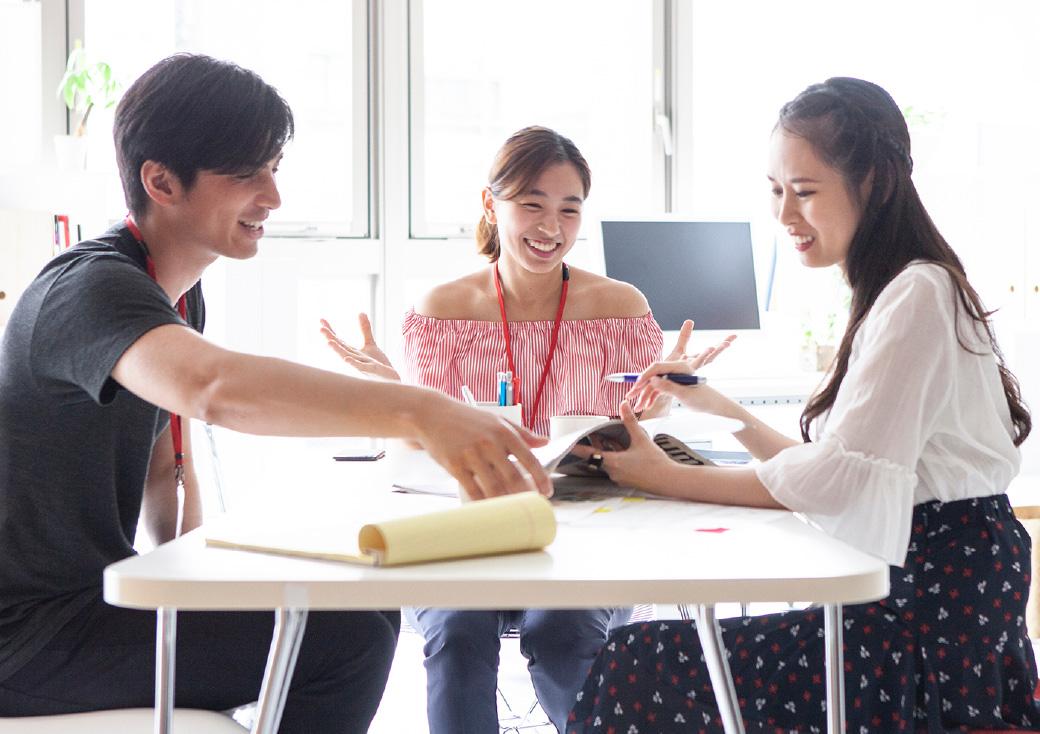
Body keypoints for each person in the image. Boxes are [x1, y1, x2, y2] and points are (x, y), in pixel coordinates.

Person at [0, 54, 554, 734]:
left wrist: (198, 573)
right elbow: (213, 387)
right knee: (343, 634)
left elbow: (164, 471)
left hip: (80, 610)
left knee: (356, 607)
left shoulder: (169, 294)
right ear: (161, 181)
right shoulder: (89, 288)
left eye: (274, 169)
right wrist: (424, 407)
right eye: (247, 173)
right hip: (27, 639)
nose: (273, 197)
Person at [566, 77, 1040, 733]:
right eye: (775, 190)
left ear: (872, 181)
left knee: (640, 662)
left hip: (920, 616)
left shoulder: (918, 294)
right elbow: (849, 469)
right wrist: (725, 413)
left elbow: (840, 480)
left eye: (806, 192)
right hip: (919, 589)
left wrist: (668, 477)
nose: (785, 215)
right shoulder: (902, 288)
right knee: (646, 656)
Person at [321, 125, 732, 733]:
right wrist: (391, 399)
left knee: (562, 632)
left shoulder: (621, 307)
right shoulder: (443, 311)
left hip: (586, 533)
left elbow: (641, 426)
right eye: (532, 204)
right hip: (465, 531)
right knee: (458, 634)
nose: (552, 227)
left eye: (569, 209)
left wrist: (664, 400)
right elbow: (416, 449)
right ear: (492, 204)